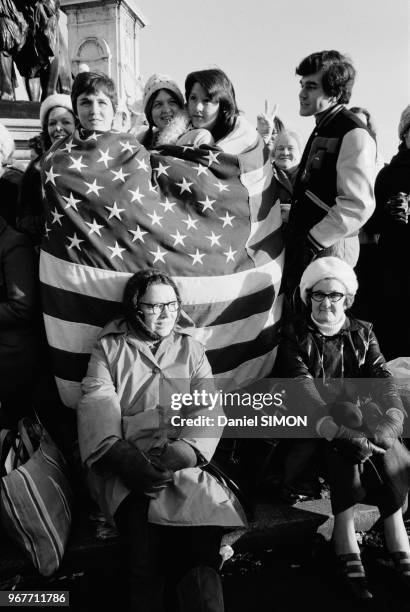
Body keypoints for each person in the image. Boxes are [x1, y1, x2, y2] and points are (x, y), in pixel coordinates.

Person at [77, 269, 245, 612]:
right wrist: (121, 456)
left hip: (185, 467)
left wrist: (184, 452)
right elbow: (97, 400)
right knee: (145, 550)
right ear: (135, 308)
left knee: (200, 544)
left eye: (171, 304)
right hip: (129, 470)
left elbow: (208, 407)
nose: (167, 313)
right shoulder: (108, 349)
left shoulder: (192, 348)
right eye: (155, 307)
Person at [277, 256, 410, 600]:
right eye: (318, 295)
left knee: (378, 437)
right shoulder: (293, 334)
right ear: (308, 298)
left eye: (335, 296)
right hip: (311, 429)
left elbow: (383, 381)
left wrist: (391, 420)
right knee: (347, 436)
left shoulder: (363, 332)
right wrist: (340, 429)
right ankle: (346, 536)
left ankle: (394, 532)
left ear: (347, 299)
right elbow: (303, 392)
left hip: (356, 421)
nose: (326, 303)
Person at [284, 50, 377, 299]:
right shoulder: (323, 126)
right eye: (302, 85)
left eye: (311, 86)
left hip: (330, 247)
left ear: (334, 92)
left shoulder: (354, 133)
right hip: (315, 245)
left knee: (324, 329)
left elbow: (357, 204)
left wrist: (312, 241)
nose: (302, 93)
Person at [367, 104, 410, 359]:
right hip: (394, 270)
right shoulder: (388, 173)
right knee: (393, 339)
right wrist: (386, 209)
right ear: (404, 135)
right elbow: (371, 224)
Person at [17, 93, 75, 247]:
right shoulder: (37, 167)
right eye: (52, 123)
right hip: (48, 250)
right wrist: (49, 223)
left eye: (66, 122)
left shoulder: (92, 159)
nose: (58, 128)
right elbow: (23, 216)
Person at [185, 68, 262, 154]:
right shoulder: (175, 134)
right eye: (193, 98)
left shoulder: (241, 136)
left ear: (223, 106)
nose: (197, 107)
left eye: (206, 100)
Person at [139, 73, 213, 150]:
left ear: (181, 106)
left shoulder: (198, 137)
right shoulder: (140, 142)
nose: (166, 110)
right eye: (158, 104)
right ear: (149, 113)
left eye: (172, 102)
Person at [271, 130, 302, 225]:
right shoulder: (264, 175)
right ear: (274, 152)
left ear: (300, 152)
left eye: (290, 148)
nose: (285, 152)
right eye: (280, 148)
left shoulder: (312, 176)